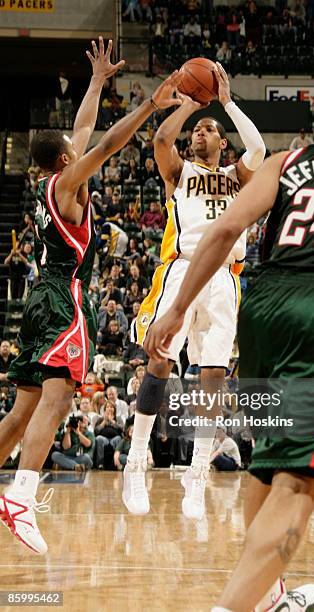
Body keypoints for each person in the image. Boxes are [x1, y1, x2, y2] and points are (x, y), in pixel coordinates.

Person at [144, 81, 314, 610]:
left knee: (266, 464)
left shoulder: (288, 161)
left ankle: (268, 597)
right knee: (299, 483)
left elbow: (225, 229)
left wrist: (174, 311)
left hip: (261, 308)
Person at [0, 37, 181, 555]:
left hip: (40, 298)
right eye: (72, 150)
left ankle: (15, 489)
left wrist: (99, 82)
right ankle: (20, 498)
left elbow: (83, 131)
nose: (81, 149)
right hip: (63, 297)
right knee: (56, 400)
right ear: (63, 159)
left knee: (21, 412)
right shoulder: (67, 183)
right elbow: (102, 146)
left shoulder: (50, 183)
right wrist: (149, 105)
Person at [123, 62, 265, 519]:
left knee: (213, 379)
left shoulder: (236, 178)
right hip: (183, 270)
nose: (199, 134)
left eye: (209, 130)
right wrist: (187, 105)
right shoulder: (180, 172)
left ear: (223, 143)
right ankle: (134, 462)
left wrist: (224, 102)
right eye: (197, 131)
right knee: (161, 359)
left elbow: (259, 147)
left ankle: (197, 472)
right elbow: (162, 141)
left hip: (225, 277)